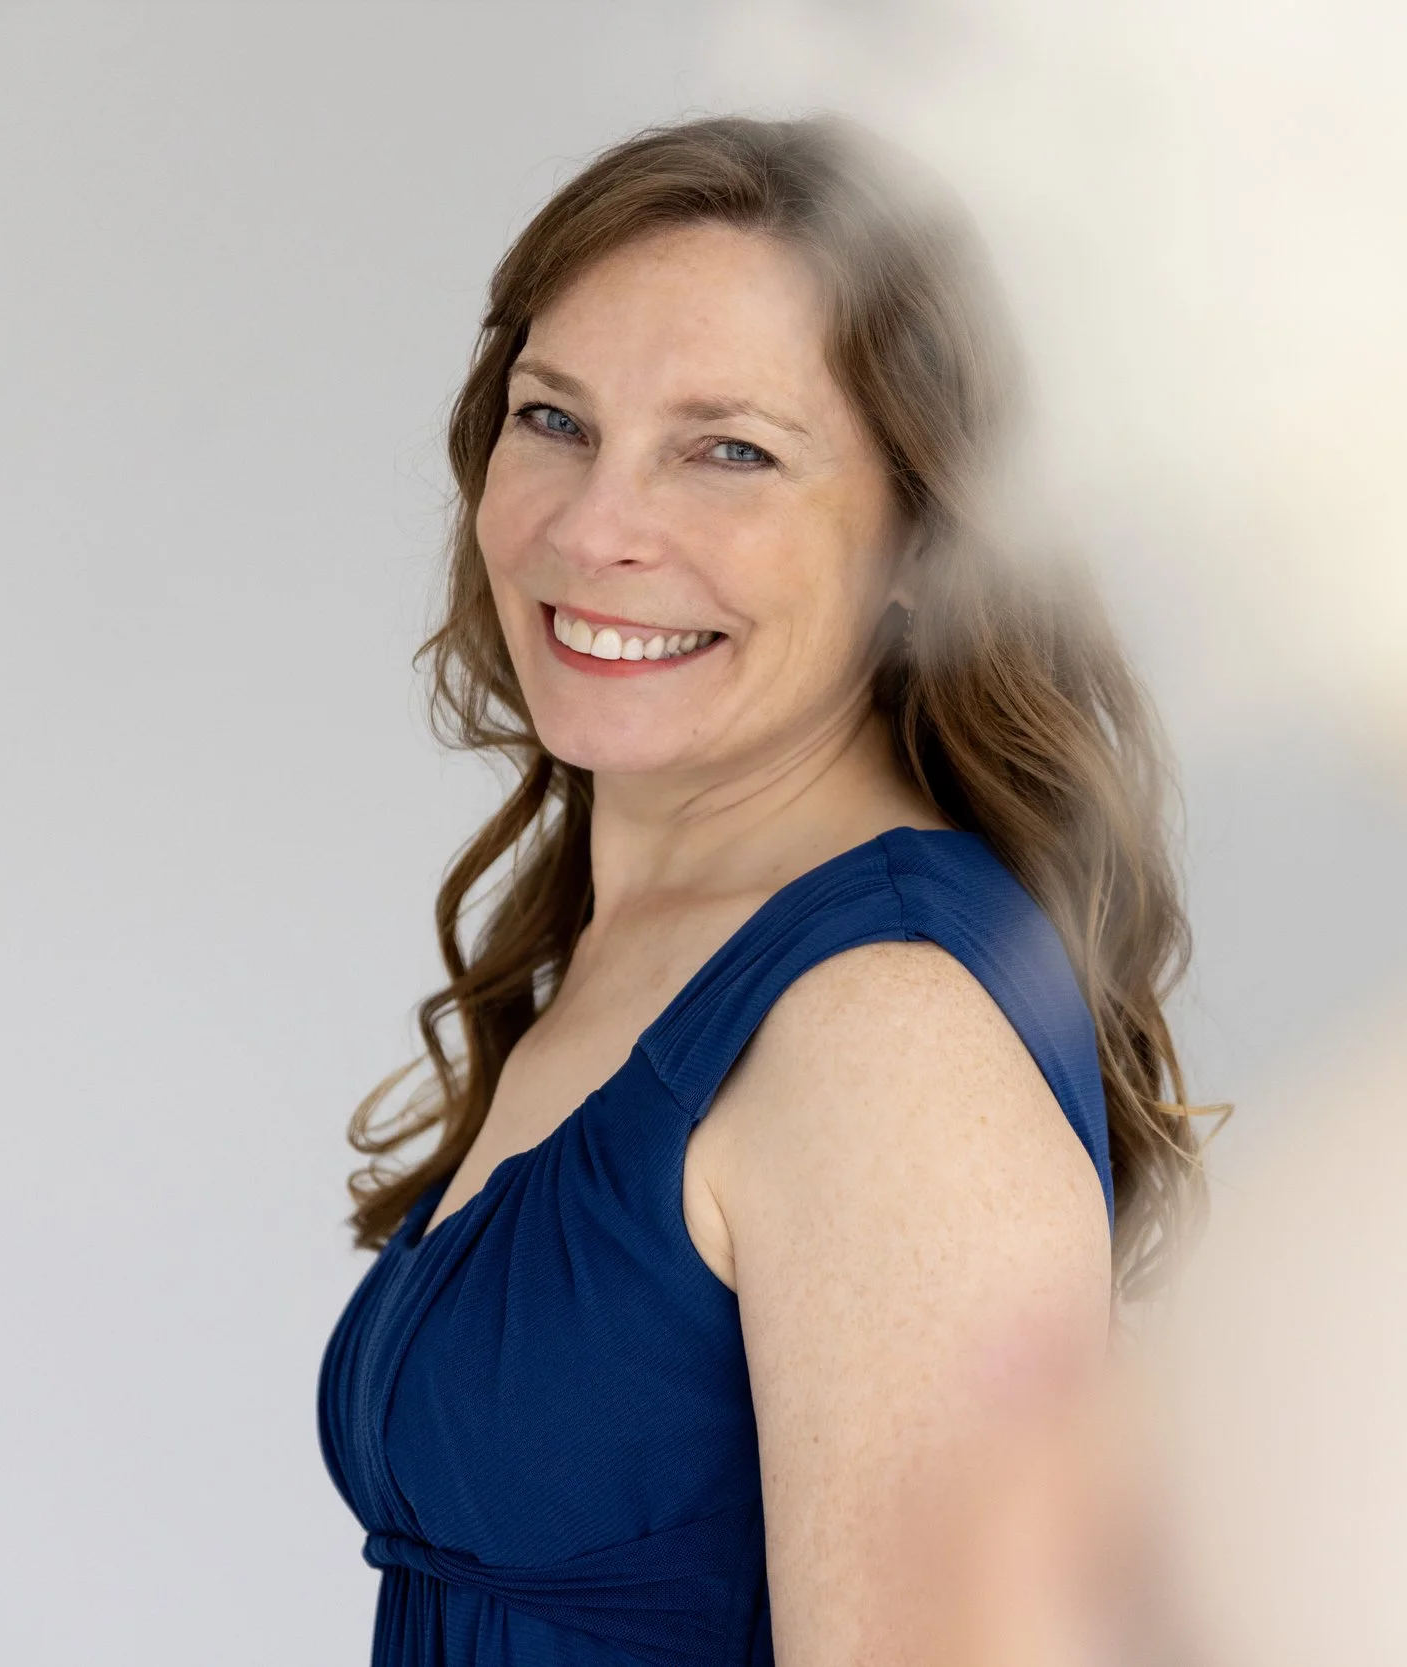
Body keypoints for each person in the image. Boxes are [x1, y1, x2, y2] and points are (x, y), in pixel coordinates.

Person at [316, 114, 1204, 1667]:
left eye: (729, 450)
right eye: (554, 418)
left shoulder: (888, 1029)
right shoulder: (653, 936)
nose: (596, 527)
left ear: (929, 538)